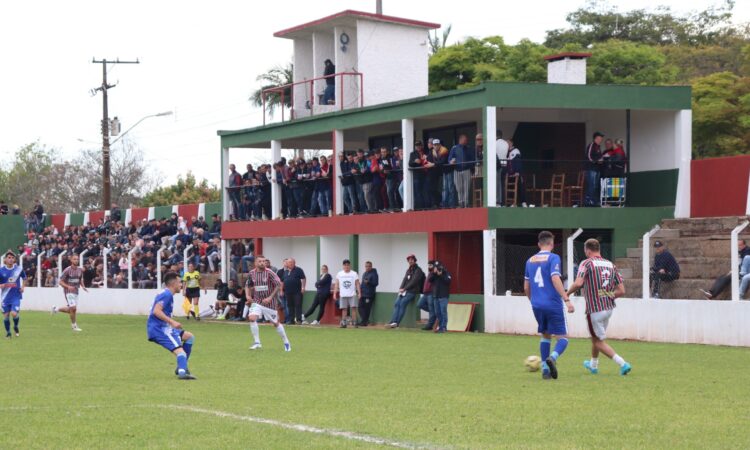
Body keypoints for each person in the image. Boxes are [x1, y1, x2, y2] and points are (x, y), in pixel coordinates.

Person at [566, 238, 631, 376]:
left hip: (595, 309)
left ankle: (623, 363)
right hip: (608, 308)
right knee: (596, 338)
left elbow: (578, 283)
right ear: (599, 249)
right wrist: (606, 295)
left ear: (587, 250)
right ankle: (593, 365)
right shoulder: (611, 265)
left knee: (598, 341)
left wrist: (566, 294)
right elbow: (621, 290)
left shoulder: (587, 263)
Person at [523, 231, 574, 380]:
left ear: (539, 244)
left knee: (545, 335)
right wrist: (566, 299)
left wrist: (533, 301)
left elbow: (526, 287)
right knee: (563, 338)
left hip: (537, 305)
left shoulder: (529, 260)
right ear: (552, 244)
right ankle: (552, 358)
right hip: (552, 304)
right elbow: (555, 278)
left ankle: (545, 370)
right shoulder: (553, 258)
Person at [147, 271, 196, 380]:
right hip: (159, 329)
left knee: (189, 337)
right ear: (173, 283)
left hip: (163, 327)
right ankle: (183, 373)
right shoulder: (167, 294)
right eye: (179, 282)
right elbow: (156, 311)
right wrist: (172, 322)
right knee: (180, 352)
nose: (181, 285)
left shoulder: (166, 294)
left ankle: (181, 367)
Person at [245, 256, 291, 351]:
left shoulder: (270, 272)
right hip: (257, 301)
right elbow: (247, 285)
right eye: (260, 261)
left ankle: (286, 342)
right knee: (252, 318)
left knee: (275, 323)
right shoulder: (252, 273)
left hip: (270, 303)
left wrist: (270, 297)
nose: (262, 263)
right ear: (255, 263)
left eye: (264, 261)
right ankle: (257, 342)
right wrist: (247, 295)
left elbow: (279, 285)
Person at [387, 254, 425, 329]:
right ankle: (392, 321)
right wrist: (401, 288)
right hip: (405, 291)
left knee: (402, 303)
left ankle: (396, 323)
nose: (410, 261)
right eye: (409, 260)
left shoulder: (418, 270)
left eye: (412, 259)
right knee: (397, 304)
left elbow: (414, 281)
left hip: (412, 291)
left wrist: (405, 288)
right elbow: (404, 279)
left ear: (415, 260)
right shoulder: (409, 269)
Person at [53, 253, 87, 332]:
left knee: (72, 310)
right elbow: (60, 282)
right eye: (74, 259)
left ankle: (56, 309)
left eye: (77, 259)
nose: (76, 260)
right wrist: (68, 287)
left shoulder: (80, 270)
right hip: (68, 292)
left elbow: (80, 279)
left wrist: (83, 286)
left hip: (76, 291)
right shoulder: (67, 270)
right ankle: (74, 326)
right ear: (71, 260)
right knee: (73, 308)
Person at [1, 251, 25, 338]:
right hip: (5, 297)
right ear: (5, 259)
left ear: (14, 260)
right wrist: (2, 285)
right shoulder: (1, 270)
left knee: (14, 313)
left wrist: (23, 287)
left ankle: (15, 326)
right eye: (9, 258)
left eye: (12, 258)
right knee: (6, 316)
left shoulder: (18, 269)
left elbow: (24, 277)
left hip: (16, 296)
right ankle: (8, 333)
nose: (10, 259)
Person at [448, 134, 475, 208]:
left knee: (466, 187)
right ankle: (460, 203)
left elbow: (472, 159)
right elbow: (450, 158)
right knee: (459, 188)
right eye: (465, 140)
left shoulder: (469, 148)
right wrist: (451, 161)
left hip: (466, 170)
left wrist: (471, 168)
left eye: (466, 140)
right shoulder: (454, 148)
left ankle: (466, 203)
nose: (466, 141)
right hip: (457, 170)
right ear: (460, 140)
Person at [333, 259, 361, 328]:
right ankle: (343, 323)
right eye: (345, 265)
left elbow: (357, 284)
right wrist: (334, 293)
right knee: (344, 309)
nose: (346, 266)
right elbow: (336, 284)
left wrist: (359, 293)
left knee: (353, 308)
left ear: (350, 265)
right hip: (343, 294)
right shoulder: (339, 274)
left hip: (352, 294)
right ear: (343, 266)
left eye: (348, 265)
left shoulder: (354, 273)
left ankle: (355, 323)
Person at [428, 260, 451, 333]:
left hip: (443, 296)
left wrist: (440, 275)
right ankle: (440, 326)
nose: (437, 268)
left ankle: (443, 327)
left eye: (438, 267)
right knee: (437, 312)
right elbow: (429, 280)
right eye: (435, 267)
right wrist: (434, 273)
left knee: (443, 312)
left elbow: (448, 281)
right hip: (436, 296)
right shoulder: (433, 274)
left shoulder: (446, 272)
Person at [282, 258, 306, 325]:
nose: (290, 263)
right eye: (289, 262)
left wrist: (303, 287)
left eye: (291, 262)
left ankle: (299, 320)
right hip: (288, 292)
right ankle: (291, 320)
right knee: (290, 306)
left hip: (297, 292)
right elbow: (282, 281)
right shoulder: (286, 271)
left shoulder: (298, 270)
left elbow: (303, 278)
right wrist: (281, 290)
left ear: (294, 263)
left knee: (298, 305)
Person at [584, 132, 604, 207]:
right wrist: (596, 161)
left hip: (597, 169)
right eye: (599, 138)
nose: (600, 140)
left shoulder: (598, 147)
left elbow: (600, 156)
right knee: (591, 184)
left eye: (601, 139)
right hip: (591, 168)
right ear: (595, 138)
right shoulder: (592, 145)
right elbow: (588, 156)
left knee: (595, 185)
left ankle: (593, 200)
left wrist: (601, 160)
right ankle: (588, 201)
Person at [359, 261, 379, 327]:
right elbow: (362, 283)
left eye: (368, 266)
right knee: (360, 307)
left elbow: (376, 283)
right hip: (363, 293)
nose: (367, 267)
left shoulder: (374, 274)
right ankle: (365, 321)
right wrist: (359, 290)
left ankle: (364, 322)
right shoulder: (364, 273)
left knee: (367, 308)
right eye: (366, 266)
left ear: (371, 266)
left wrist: (369, 282)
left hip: (369, 294)